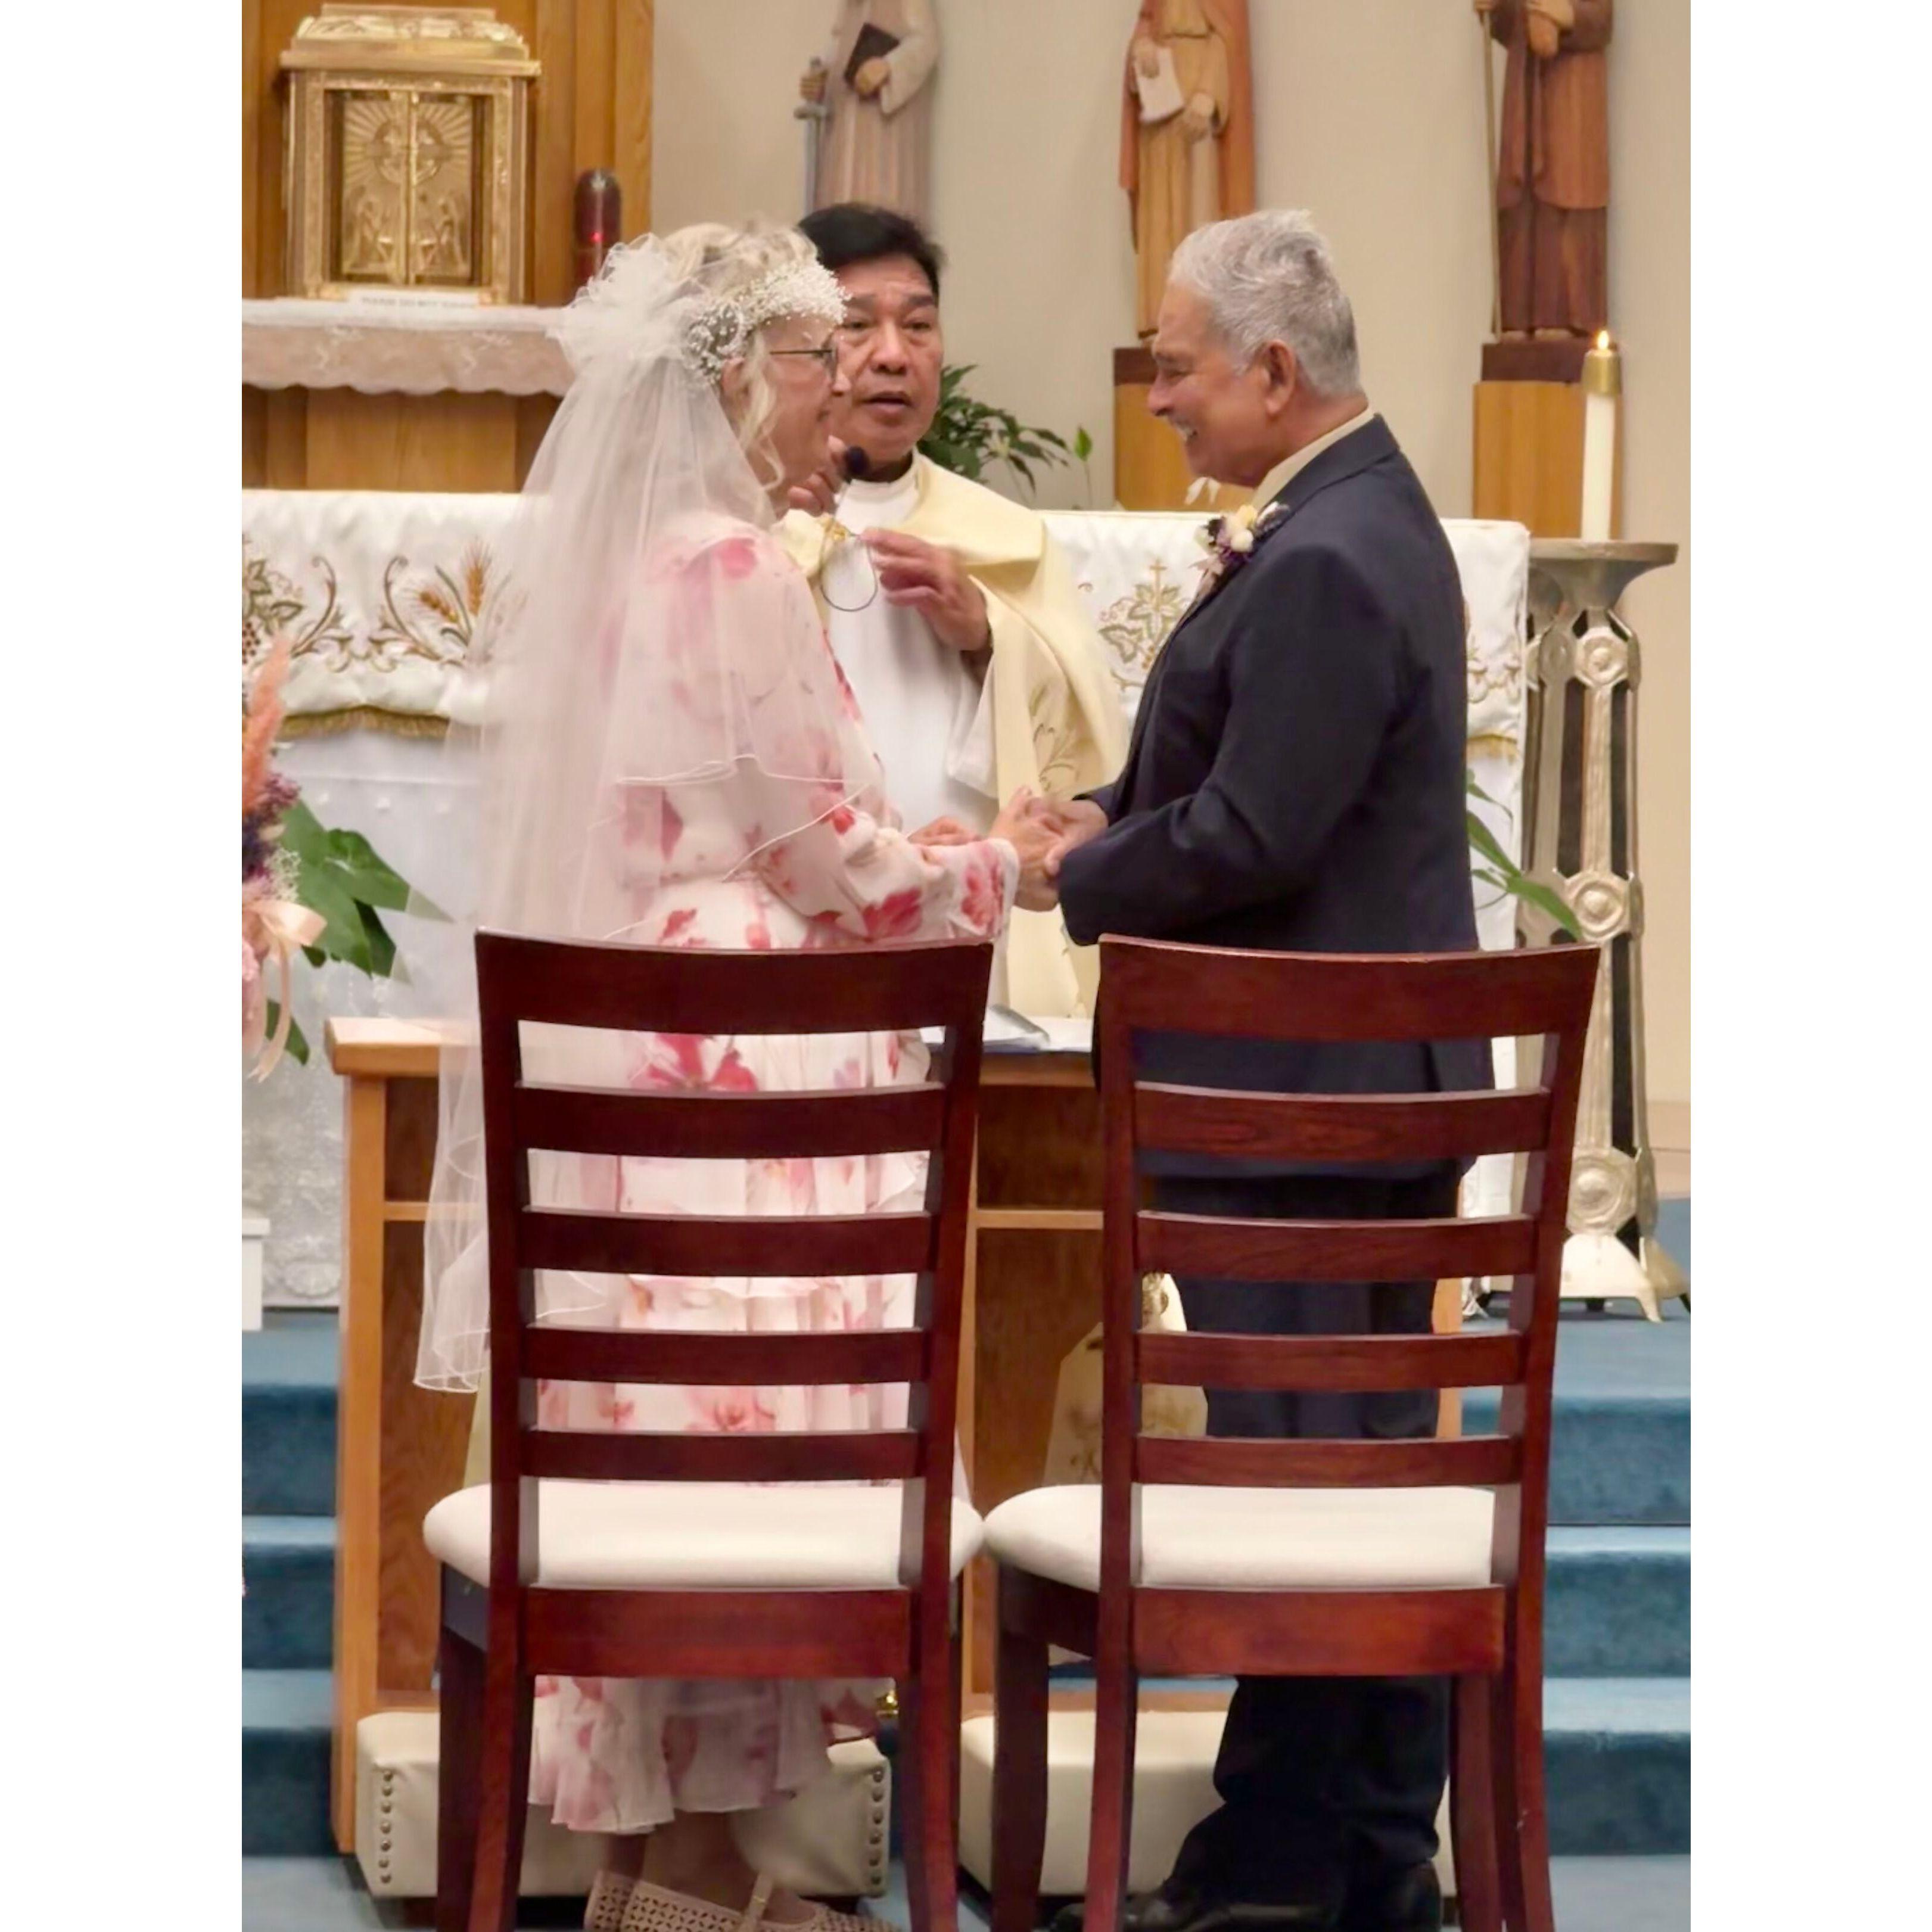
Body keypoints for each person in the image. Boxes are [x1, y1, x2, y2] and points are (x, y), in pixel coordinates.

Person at [417, 223, 1058, 1932]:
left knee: (679, 1462)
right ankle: (700, 1885)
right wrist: (996, 864)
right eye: (804, 353)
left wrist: (916, 844)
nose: (840, 376)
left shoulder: (666, 566)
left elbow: (776, 821)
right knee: (736, 1461)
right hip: (739, 1074)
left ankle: (658, 1878)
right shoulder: (727, 568)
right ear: (725, 377)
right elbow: (822, 856)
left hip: (661, 1039)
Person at [1024, 212, 1489, 1932]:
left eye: (1175, 363)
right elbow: (1240, 805)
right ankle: (1339, 1859)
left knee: (1308, 1490)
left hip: (1306, 1102)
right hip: (1328, 1087)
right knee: (1335, 1481)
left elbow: (1258, 830)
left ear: (1273, 371)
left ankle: (1300, 1875)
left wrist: (1063, 871)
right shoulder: (1342, 525)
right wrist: (1113, 822)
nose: (1156, 397)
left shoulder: (1326, 555)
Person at [785, 201, 1127, 1016]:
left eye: (919, 325)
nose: (893, 357)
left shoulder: (1004, 539)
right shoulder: (747, 526)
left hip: (971, 921)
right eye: (857, 326)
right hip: (807, 909)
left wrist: (986, 636)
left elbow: (1088, 742)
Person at [1121, 0, 1256, 341]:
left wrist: (1209, 94)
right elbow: (1147, 22)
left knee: (1197, 212)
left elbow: (1227, 39)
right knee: (1159, 215)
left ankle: (1200, 320)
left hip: (1198, 104)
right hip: (1160, 96)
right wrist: (1142, 46)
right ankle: (1161, 319)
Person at [1480, 0, 1613, 338]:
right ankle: (1518, 317)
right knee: (1520, 197)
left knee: (1568, 189)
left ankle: (1566, 317)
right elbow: (1509, 22)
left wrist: (1565, 13)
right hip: (1526, 87)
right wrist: (1497, 10)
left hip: (1573, 86)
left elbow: (1601, 17)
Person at [799, 0, 940, 222]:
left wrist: (889, 66)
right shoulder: (848, 8)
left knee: (878, 203)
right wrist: (820, 81)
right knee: (839, 203)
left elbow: (926, 42)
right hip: (843, 130)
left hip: (884, 130)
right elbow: (838, 49)